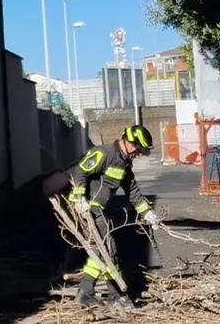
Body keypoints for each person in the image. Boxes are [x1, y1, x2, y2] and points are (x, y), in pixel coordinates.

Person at [62, 125, 160, 308]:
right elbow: (80, 171)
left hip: (99, 209)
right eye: (138, 150)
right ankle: (115, 296)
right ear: (130, 143)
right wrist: (79, 198)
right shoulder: (104, 153)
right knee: (109, 249)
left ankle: (85, 291)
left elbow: (132, 191)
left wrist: (147, 212)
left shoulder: (124, 163)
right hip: (88, 208)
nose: (138, 154)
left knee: (102, 251)